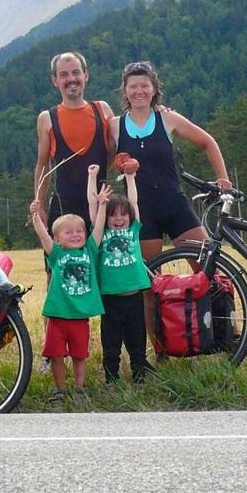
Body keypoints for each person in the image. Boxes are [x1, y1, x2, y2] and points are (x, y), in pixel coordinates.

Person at [32, 52, 115, 373]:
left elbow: (114, 153)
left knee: (108, 279)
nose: (71, 79)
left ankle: (108, 354)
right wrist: (37, 209)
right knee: (57, 282)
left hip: (98, 213)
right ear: (55, 81)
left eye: (76, 72)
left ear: (86, 75)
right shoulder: (47, 118)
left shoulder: (102, 110)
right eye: (64, 74)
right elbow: (43, 168)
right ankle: (51, 355)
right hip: (63, 210)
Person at [110, 60, 233, 260]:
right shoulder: (114, 126)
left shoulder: (168, 119)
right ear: (125, 91)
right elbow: (101, 158)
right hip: (141, 213)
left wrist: (223, 177)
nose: (139, 91)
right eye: (133, 86)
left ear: (154, 89)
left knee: (209, 270)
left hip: (175, 206)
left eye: (144, 85)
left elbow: (208, 142)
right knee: (148, 283)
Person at [29, 176, 109, 403]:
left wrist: (102, 204)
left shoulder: (90, 251)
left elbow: (99, 227)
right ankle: (61, 390)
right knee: (55, 355)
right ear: (57, 239)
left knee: (79, 355)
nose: (76, 235)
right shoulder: (56, 254)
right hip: (57, 315)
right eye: (69, 232)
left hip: (79, 316)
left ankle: (79, 388)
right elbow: (42, 234)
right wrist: (35, 215)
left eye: (79, 231)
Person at [86, 162, 153, 387]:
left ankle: (140, 375)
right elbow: (92, 206)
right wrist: (92, 177)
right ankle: (111, 378)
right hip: (110, 300)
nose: (119, 219)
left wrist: (130, 178)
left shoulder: (133, 230)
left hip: (134, 297)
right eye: (113, 215)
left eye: (123, 215)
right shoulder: (101, 233)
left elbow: (133, 201)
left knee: (137, 340)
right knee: (111, 343)